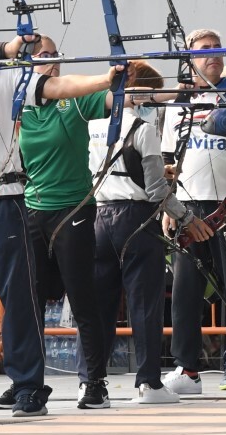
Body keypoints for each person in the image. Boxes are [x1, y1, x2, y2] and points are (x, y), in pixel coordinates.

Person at [0, 4, 119, 418]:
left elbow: (58, 86)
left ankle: (29, 385)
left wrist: (106, 78)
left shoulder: (10, 75)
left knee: (21, 298)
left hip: (3, 200)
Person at [83, 63, 209, 407]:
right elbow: (155, 190)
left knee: (99, 305)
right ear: (140, 94)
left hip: (99, 217)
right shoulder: (142, 127)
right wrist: (186, 218)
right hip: (136, 221)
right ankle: (149, 383)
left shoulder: (90, 124)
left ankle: (90, 383)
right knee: (144, 305)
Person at [161, 29, 226, 394]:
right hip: (187, 209)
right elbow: (166, 162)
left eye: (216, 50)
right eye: (203, 50)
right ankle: (187, 370)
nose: (212, 55)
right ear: (189, 58)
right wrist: (168, 205)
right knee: (186, 289)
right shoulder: (178, 102)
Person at [17, 33, 110, 403]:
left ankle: (95, 383)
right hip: (32, 208)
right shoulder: (18, 104)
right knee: (30, 300)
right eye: (41, 55)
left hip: (73, 207)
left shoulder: (73, 97)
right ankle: (27, 381)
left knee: (82, 296)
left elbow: (116, 97)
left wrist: (122, 81)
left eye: (55, 54)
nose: (51, 60)